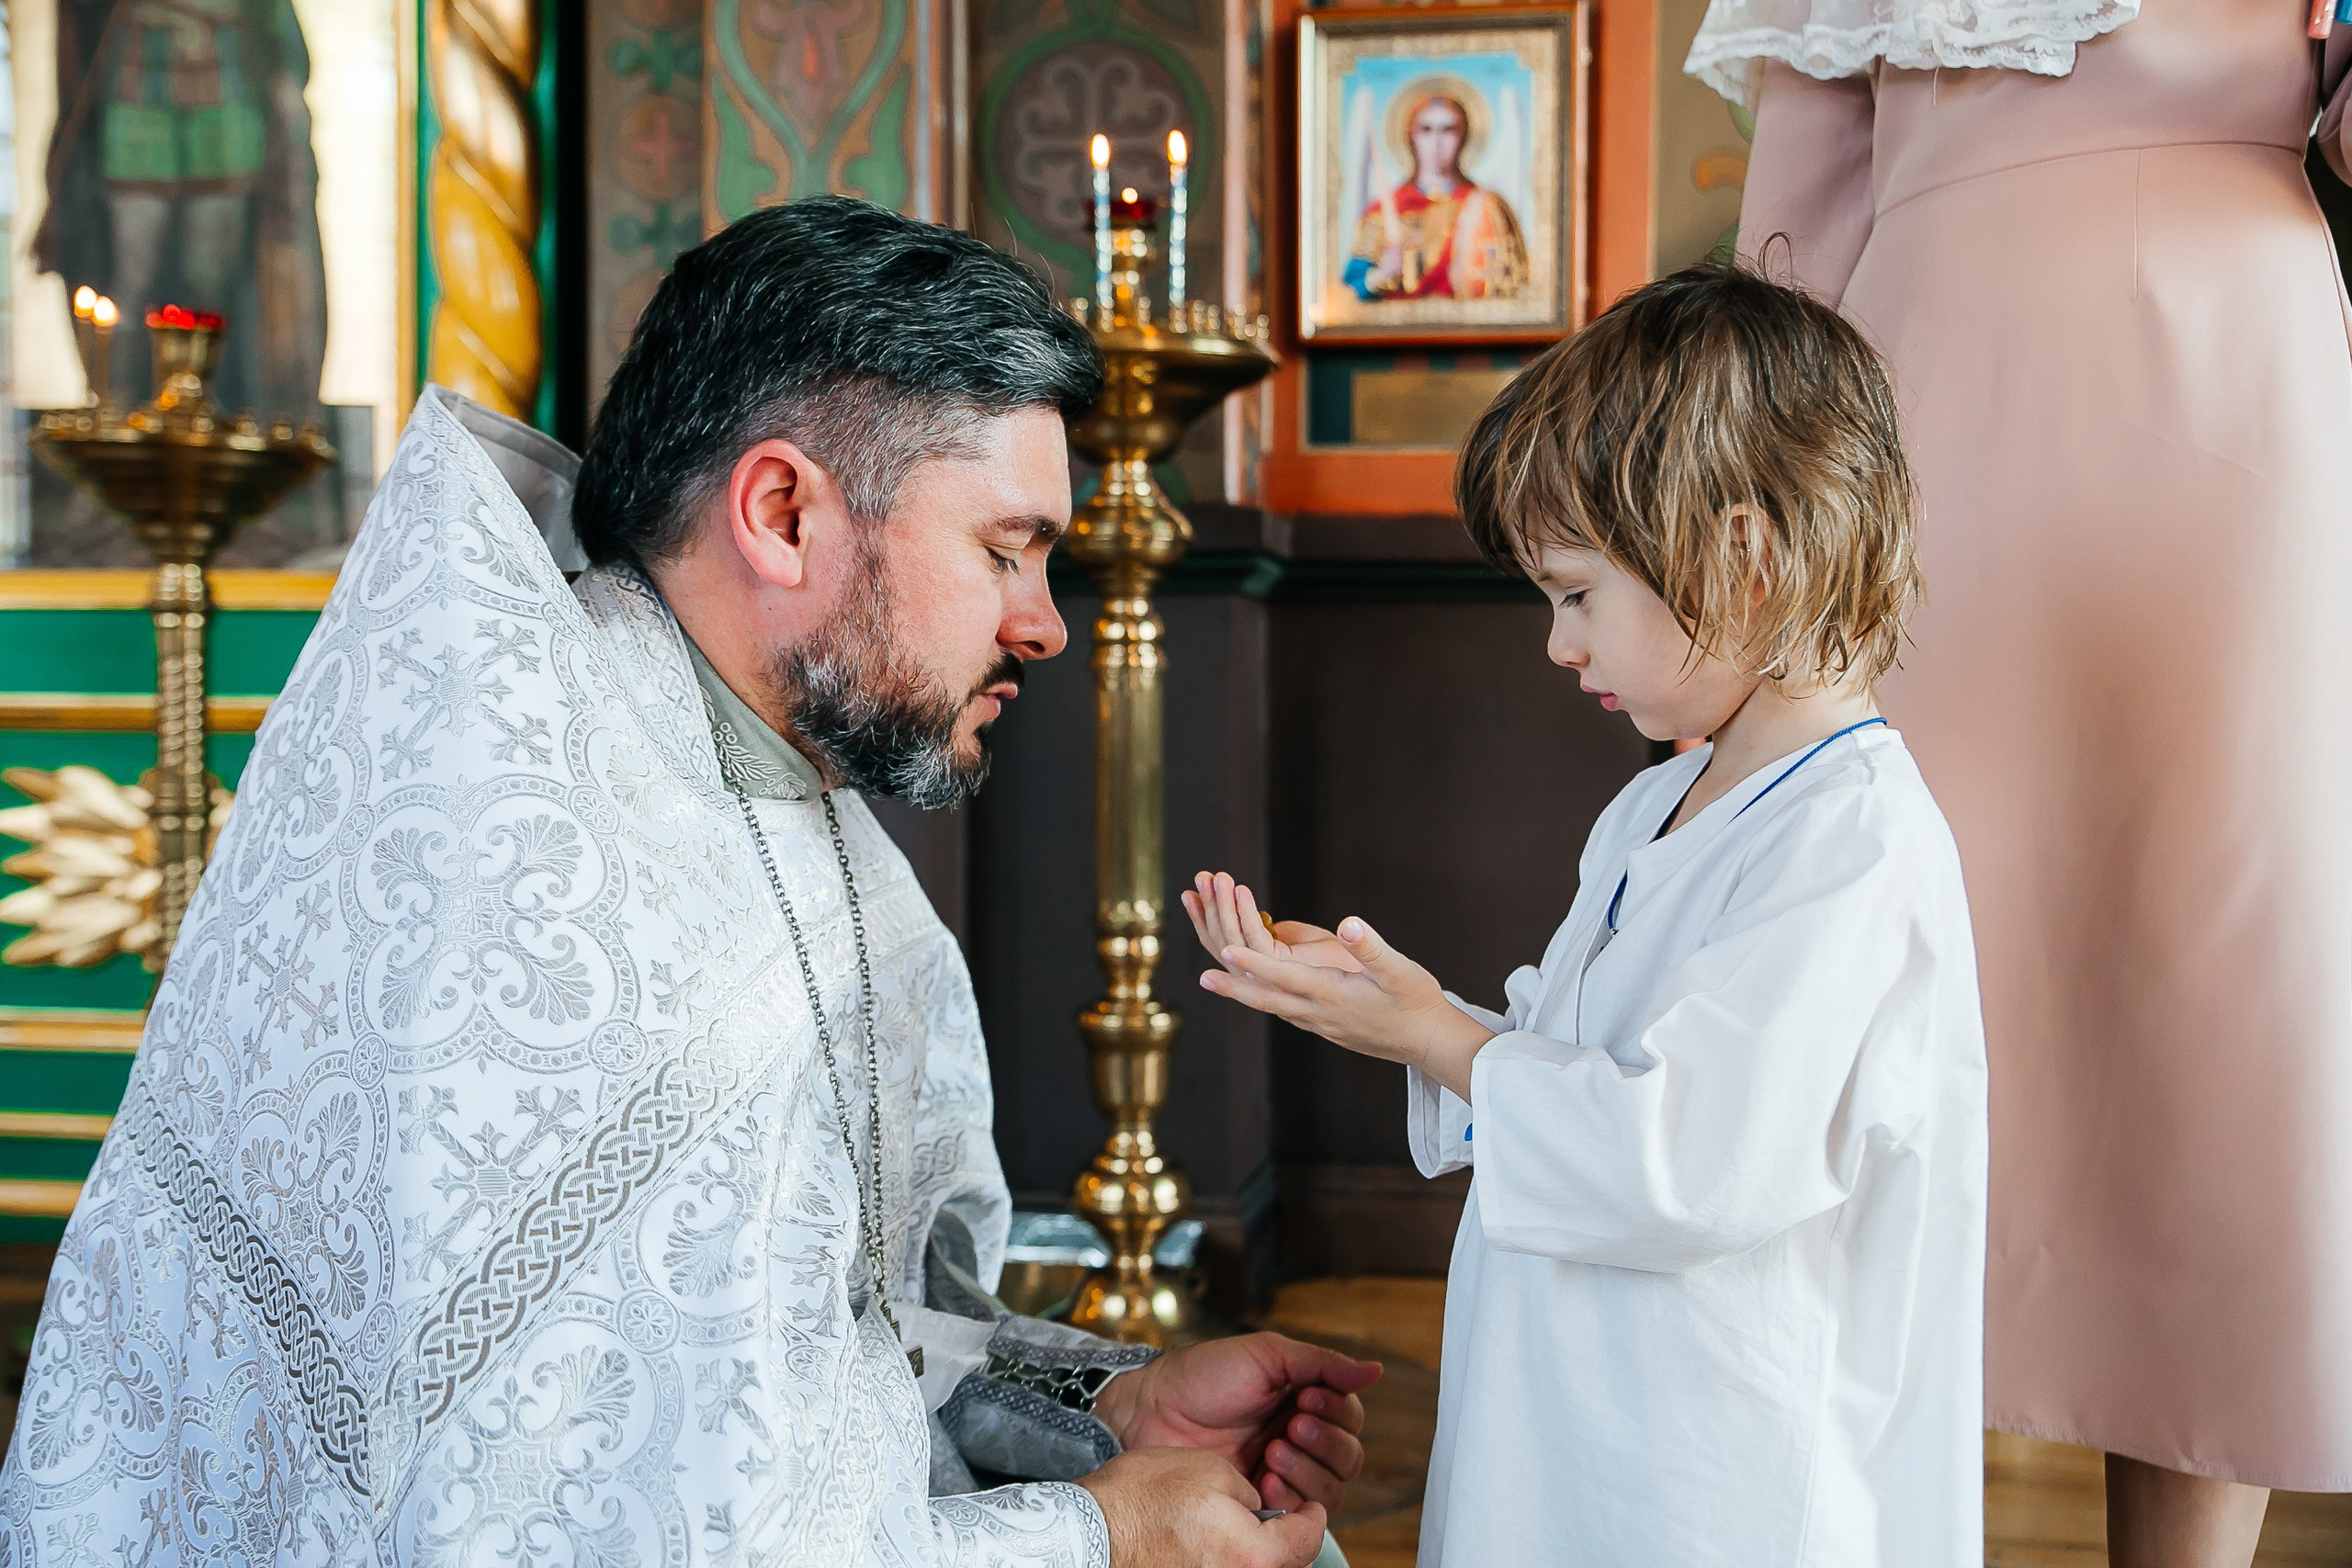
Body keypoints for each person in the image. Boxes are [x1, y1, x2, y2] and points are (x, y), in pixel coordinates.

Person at [0, 197, 1376, 1568]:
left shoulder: (747, 776)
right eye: (1003, 548)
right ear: (782, 510)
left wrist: (1104, 1403)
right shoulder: (551, 906)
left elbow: (839, 1332)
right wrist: (1100, 1531)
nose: (1044, 621)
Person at [1184, 266, 1987, 1565]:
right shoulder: (1660, 804)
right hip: (1580, 1423)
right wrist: (1402, 1013)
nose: (1560, 645)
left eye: (1576, 592)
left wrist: (1444, 1039)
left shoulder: (1853, 841)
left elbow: (1683, 1161)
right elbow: (1584, 1064)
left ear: (1740, 557)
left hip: (1720, 1476)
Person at [1686, 0, 2352, 1556]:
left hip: (2227, 383)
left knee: (2205, 1001)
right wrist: (1743, 519)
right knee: (1875, 978)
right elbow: (1799, 192)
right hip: (1902, 409)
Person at [1343, 92, 1529, 301]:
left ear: (1463, 137)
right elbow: (1348, 294)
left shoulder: (1485, 207)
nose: (1436, 141)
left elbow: (1511, 280)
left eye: (1448, 130)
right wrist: (1380, 275)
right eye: (1426, 130)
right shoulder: (1385, 211)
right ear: (1411, 136)